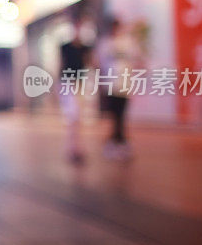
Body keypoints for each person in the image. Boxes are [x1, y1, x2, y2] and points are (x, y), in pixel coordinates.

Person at [95, 17, 142, 160]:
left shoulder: (128, 43)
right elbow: (98, 64)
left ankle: (118, 142)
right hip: (111, 84)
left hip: (124, 85)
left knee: (121, 114)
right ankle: (117, 142)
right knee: (115, 115)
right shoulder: (105, 44)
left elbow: (137, 60)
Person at [59, 19, 91, 164]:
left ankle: (75, 147)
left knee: (77, 117)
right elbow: (61, 65)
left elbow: (89, 63)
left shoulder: (85, 47)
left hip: (79, 83)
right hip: (68, 83)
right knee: (73, 116)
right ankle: (73, 148)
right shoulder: (65, 47)